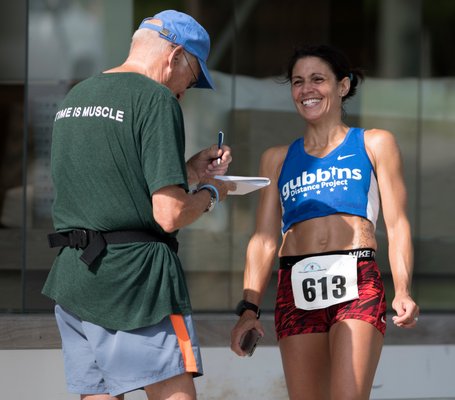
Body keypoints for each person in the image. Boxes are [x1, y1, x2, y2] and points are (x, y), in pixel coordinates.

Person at [42, 10, 235, 400]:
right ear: (175, 56)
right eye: (193, 78)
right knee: (173, 391)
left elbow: (112, 184)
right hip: (137, 282)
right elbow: (169, 214)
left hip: (76, 279)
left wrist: (188, 173)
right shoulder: (156, 99)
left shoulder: (75, 97)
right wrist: (213, 194)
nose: (185, 91)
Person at [230, 44, 419, 400]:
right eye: (298, 82)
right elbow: (264, 239)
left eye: (318, 79)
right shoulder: (276, 158)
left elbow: (397, 224)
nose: (307, 90)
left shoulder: (374, 143)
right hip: (295, 283)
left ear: (343, 86)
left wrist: (404, 289)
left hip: (357, 278)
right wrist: (249, 308)